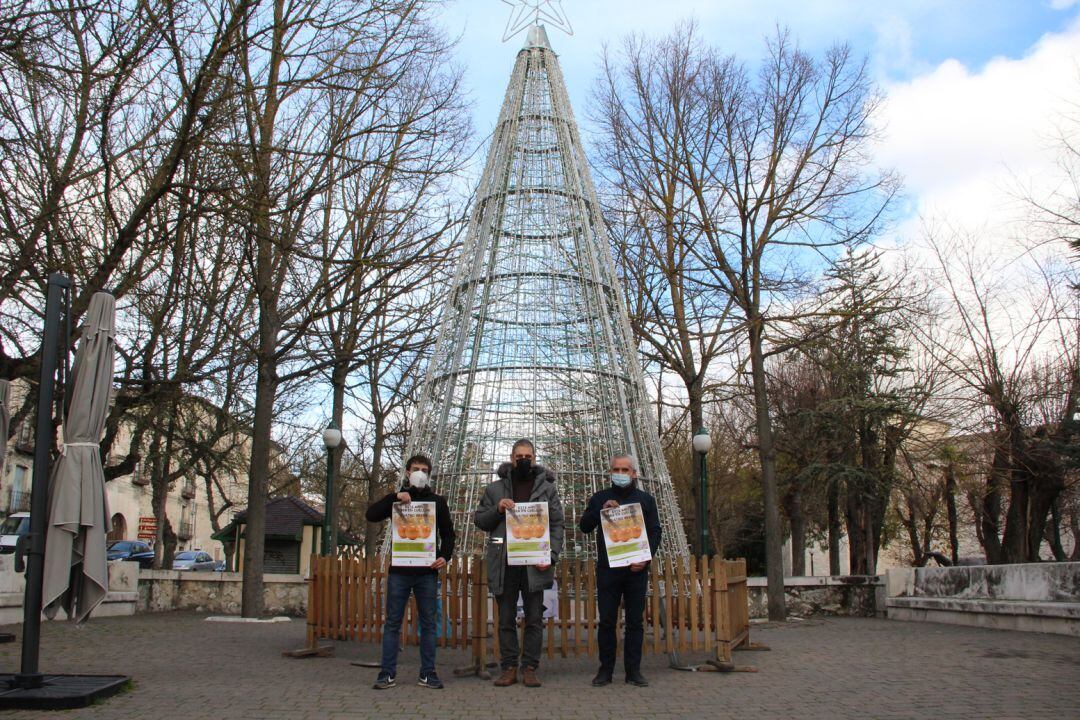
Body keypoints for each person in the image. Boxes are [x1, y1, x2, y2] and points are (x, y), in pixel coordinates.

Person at [474, 439, 564, 688]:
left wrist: (551, 555)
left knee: (535, 618)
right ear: (511, 458)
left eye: (528, 456)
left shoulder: (547, 489)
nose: (524, 460)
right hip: (504, 563)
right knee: (505, 619)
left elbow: (557, 524)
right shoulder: (495, 489)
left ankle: (530, 668)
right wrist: (498, 510)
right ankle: (509, 667)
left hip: (535, 563)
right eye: (519, 456)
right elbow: (480, 520)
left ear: (534, 459)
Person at [366, 454, 455, 690]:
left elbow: (449, 534)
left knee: (428, 623)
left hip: (426, 571)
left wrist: (444, 556)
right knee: (393, 622)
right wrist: (395, 498)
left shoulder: (438, 501)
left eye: (425, 470)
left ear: (429, 474)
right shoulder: (397, 500)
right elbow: (371, 515)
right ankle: (387, 674)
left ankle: (428, 673)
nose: (420, 473)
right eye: (416, 469)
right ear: (407, 472)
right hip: (400, 571)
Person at [579, 453, 661, 688]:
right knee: (606, 621)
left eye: (625, 470)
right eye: (617, 470)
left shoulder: (646, 500)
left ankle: (633, 671)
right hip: (608, 570)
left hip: (636, 569)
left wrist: (645, 559)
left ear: (634, 474)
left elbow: (655, 532)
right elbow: (584, 527)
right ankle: (605, 670)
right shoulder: (600, 498)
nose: (621, 474)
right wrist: (600, 511)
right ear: (610, 472)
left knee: (635, 622)